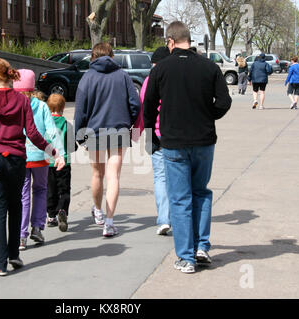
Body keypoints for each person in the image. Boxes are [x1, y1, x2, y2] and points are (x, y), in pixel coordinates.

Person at [143, 21, 232, 273]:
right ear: (188, 40)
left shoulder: (160, 70)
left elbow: (148, 108)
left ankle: (186, 257)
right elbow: (224, 102)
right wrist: (207, 115)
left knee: (180, 198)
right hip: (204, 141)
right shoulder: (209, 66)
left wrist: (152, 136)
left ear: (170, 41)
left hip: (173, 143)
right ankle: (202, 246)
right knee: (201, 192)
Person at [0, 59, 64, 276]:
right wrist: (52, 151)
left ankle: (1, 263)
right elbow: (32, 133)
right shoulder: (22, 101)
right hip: (16, 160)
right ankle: (14, 254)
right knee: (15, 207)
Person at [74, 42, 141, 237]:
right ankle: (110, 222)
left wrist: (79, 134)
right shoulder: (122, 76)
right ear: (111, 56)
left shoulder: (87, 77)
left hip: (94, 131)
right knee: (114, 177)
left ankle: (98, 211)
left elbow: (80, 110)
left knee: (97, 174)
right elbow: (135, 104)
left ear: (92, 57)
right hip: (118, 130)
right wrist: (129, 123)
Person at [13, 69, 65, 250]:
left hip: (19, 155)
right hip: (40, 155)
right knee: (41, 189)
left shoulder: (12, 104)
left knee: (23, 193)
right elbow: (52, 131)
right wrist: (59, 153)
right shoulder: (42, 106)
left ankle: (21, 235)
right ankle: (37, 227)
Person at [133, 46, 172, 236]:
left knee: (160, 178)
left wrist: (138, 132)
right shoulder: (176, 79)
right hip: (175, 134)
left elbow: (143, 109)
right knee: (177, 177)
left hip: (155, 135)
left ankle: (164, 219)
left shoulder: (149, 81)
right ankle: (176, 216)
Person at [46, 93, 77, 232]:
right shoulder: (67, 125)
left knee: (50, 189)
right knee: (64, 190)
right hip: (65, 163)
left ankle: (51, 215)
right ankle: (62, 209)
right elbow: (72, 146)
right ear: (63, 107)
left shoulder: (46, 124)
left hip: (49, 163)